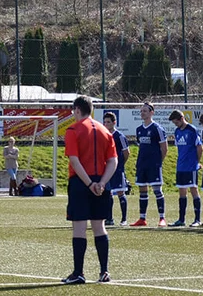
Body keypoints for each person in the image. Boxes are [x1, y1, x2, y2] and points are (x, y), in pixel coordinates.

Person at [62, 96, 117, 285]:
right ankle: (104, 272)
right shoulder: (105, 131)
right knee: (99, 226)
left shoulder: (73, 130)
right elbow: (113, 161)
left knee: (79, 227)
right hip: (102, 183)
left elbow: (74, 161)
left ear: (77, 110)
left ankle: (78, 272)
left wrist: (88, 184)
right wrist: (101, 183)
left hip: (80, 183)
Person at [130, 103, 167, 226]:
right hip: (142, 164)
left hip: (154, 165)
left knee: (157, 191)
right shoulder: (139, 130)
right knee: (142, 190)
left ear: (152, 112)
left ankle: (162, 218)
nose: (142, 113)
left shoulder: (157, 128)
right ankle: (142, 218)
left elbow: (164, 148)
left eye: (145, 111)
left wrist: (158, 162)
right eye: (141, 111)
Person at [168, 110, 200, 227]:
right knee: (182, 192)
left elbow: (199, 147)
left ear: (181, 118)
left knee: (194, 190)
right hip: (180, 166)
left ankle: (197, 219)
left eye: (176, 122)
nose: (175, 124)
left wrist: (196, 162)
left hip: (191, 166)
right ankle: (181, 220)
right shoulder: (177, 131)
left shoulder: (192, 130)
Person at [100, 112, 129, 225]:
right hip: (106, 170)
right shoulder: (103, 135)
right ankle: (109, 218)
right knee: (108, 193)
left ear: (114, 123)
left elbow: (126, 153)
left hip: (118, 169)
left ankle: (124, 219)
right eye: (105, 122)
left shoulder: (119, 136)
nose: (106, 124)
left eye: (108, 122)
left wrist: (120, 164)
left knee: (121, 192)